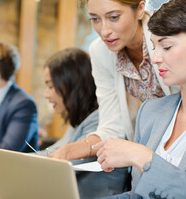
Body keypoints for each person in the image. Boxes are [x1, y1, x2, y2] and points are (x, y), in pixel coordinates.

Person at [50, 0, 178, 161]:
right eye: (95, 19)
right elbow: (112, 126)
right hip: (147, 152)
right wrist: (69, 151)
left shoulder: (169, 38)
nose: (104, 31)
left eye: (114, 17)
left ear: (140, 9)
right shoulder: (100, 52)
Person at [93, 0, 186, 198]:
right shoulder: (151, 112)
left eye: (166, 47)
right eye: (154, 47)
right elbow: (138, 194)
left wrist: (143, 157)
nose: (155, 58)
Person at [40, 48, 129, 198]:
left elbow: (60, 164)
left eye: (50, 86)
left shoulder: (99, 122)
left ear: (71, 84)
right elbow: (54, 151)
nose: (46, 94)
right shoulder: (78, 122)